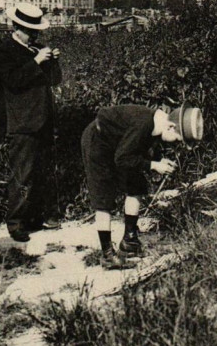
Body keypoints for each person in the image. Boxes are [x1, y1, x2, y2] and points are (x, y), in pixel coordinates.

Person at [81, 102, 203, 269]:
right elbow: (122, 159)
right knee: (103, 198)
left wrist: (158, 161)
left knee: (136, 185)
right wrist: (154, 165)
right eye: (177, 139)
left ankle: (129, 241)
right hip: (97, 142)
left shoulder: (158, 123)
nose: (175, 143)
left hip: (117, 145)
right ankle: (107, 255)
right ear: (171, 126)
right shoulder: (144, 124)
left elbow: (135, 147)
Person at [0, 3, 63, 242]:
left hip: (42, 120)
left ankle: (36, 217)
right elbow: (13, 81)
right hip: (22, 122)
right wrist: (36, 62)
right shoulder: (4, 50)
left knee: (41, 172)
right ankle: (16, 223)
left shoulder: (37, 49)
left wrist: (52, 61)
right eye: (29, 31)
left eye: (36, 31)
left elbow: (54, 80)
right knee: (22, 174)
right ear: (16, 27)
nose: (34, 35)